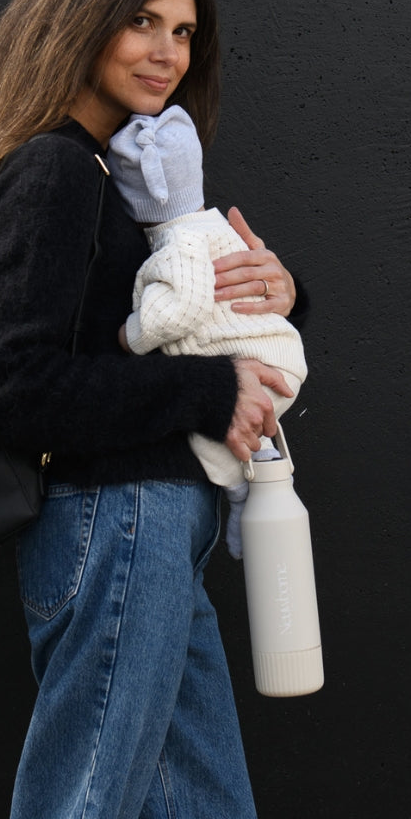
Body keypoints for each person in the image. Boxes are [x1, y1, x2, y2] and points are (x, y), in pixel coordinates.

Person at [0, 0, 301, 819]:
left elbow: (142, 327)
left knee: (204, 804)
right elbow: (4, 384)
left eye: (184, 31)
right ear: (79, 18)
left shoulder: (114, 173)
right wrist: (211, 391)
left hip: (152, 527)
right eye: (141, 21)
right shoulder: (57, 171)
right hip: (119, 522)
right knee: (83, 803)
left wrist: (280, 294)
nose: (167, 52)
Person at [108, 104, 307, 559]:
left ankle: (240, 494)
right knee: (236, 431)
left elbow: (176, 312)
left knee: (205, 433)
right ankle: (261, 471)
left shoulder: (178, 246)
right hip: (276, 355)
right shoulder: (212, 226)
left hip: (260, 369)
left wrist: (128, 335)